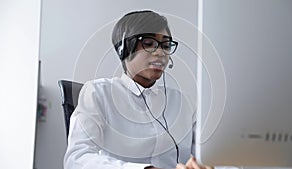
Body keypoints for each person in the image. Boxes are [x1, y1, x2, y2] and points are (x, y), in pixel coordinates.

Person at [64, 10, 214, 169]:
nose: (160, 52)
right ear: (124, 49)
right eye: (149, 44)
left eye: (166, 45)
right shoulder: (98, 93)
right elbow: (77, 159)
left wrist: (208, 166)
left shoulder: (184, 103)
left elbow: (215, 155)